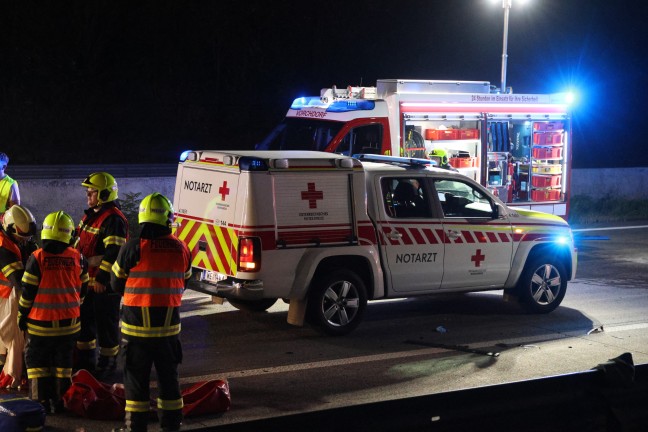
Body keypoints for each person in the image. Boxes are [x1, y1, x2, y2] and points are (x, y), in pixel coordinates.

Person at [111, 193, 191, 432]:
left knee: (136, 382)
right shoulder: (181, 248)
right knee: (169, 379)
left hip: (136, 333)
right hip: (168, 332)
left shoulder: (133, 247)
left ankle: (134, 427)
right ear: (167, 218)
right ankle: (172, 425)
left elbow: (116, 285)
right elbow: (184, 282)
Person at [18, 211, 89, 413]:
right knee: (63, 364)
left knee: (37, 364)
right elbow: (83, 288)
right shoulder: (78, 257)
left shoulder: (37, 258)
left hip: (40, 325)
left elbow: (28, 293)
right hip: (69, 325)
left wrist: (22, 314)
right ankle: (61, 402)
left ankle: (39, 404)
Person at [74, 172, 128, 377]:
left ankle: (107, 364)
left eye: (92, 192)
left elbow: (114, 253)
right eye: (87, 191)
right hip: (87, 281)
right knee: (85, 323)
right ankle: (85, 363)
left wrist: (103, 280)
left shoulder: (113, 219)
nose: (88, 194)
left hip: (103, 284)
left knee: (106, 325)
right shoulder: (91, 215)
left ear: (104, 193)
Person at [0, 205, 37, 388]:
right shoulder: (3, 247)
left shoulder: (9, 238)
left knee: (7, 338)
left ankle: (7, 368)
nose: (25, 241)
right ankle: (12, 375)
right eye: (21, 237)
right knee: (13, 336)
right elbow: (19, 280)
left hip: (6, 295)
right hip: (6, 296)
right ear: (10, 228)